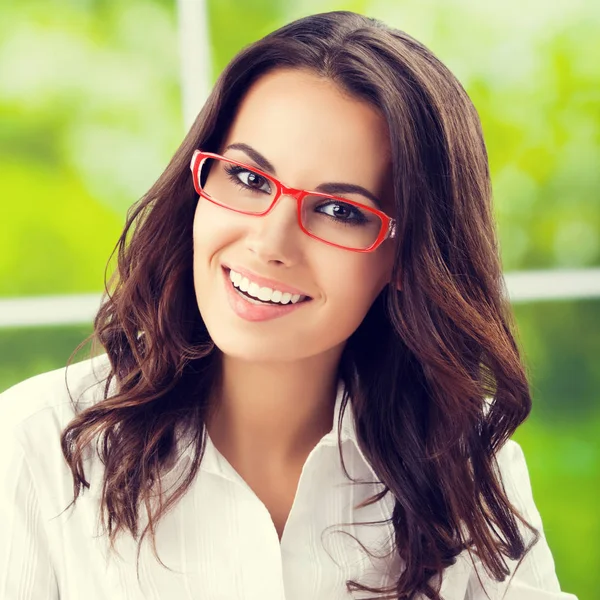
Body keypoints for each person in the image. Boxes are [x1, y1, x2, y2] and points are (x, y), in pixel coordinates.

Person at [0, 10, 578, 600]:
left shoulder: (462, 462)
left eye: (340, 210)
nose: (270, 243)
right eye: (249, 178)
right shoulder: (33, 446)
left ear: (406, 259)